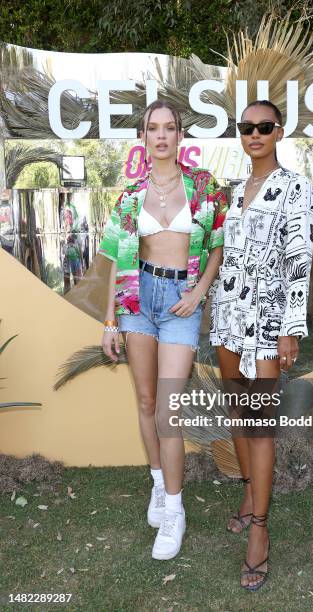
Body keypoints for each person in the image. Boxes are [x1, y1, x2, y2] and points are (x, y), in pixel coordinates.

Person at [98, 100, 227, 560]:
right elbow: (115, 260)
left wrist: (199, 293)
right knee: (148, 401)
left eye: (169, 128)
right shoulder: (130, 195)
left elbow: (216, 247)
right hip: (138, 300)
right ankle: (158, 482)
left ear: (180, 136)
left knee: (169, 408)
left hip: (181, 302)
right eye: (153, 128)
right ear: (143, 137)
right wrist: (110, 319)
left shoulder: (204, 187)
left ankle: (175, 510)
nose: (161, 136)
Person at [210, 100, 313, 590]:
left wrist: (290, 327)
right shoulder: (235, 192)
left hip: (269, 320)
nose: (254, 134)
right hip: (228, 317)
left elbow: (299, 259)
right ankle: (250, 492)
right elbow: (228, 257)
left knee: (261, 427)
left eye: (264, 127)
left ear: (279, 131)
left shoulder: (296, 188)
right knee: (238, 415)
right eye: (246, 127)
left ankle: (260, 531)